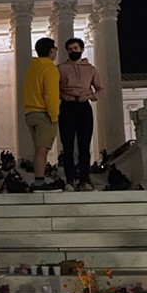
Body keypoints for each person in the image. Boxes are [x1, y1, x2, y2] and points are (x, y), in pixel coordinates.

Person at [58, 37, 104, 191]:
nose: (73, 51)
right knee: (68, 146)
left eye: (75, 48)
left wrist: (91, 96)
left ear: (82, 49)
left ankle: (85, 179)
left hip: (84, 106)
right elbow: (54, 88)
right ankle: (69, 180)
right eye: (70, 49)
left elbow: (100, 89)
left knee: (85, 146)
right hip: (67, 106)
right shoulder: (61, 68)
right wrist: (62, 95)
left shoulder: (91, 69)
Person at [23, 37, 60, 191]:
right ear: (51, 51)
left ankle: (39, 181)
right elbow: (50, 94)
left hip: (30, 113)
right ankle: (39, 182)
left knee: (39, 149)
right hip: (43, 113)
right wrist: (54, 115)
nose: (56, 51)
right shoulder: (50, 68)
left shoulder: (32, 67)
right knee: (42, 149)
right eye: (55, 49)